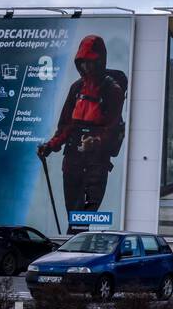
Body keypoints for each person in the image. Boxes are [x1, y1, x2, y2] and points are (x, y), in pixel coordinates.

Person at [36, 35, 125, 218]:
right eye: (83, 62)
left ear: (100, 60)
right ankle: (75, 242)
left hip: (97, 163)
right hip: (72, 162)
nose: (87, 67)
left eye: (91, 62)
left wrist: (96, 141)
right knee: (74, 214)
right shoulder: (76, 88)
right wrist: (51, 146)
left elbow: (113, 126)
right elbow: (66, 125)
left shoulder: (113, 90)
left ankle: (76, 242)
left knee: (84, 217)